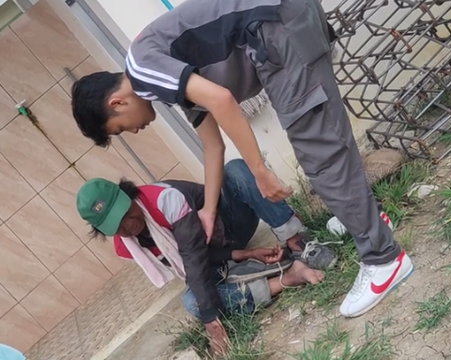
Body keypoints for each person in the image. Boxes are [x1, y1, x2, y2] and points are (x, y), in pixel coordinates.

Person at [70, 0, 413, 318]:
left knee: (320, 156)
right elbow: (212, 146)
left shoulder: (142, 69)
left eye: (119, 129)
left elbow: (221, 100)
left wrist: (259, 170)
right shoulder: (164, 79)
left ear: (116, 104)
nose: (133, 131)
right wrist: (206, 211)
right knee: (327, 140)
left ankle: (384, 260)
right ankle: (369, 221)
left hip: (276, 28)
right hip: (282, 21)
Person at [76, 159, 333, 356]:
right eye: (116, 226)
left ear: (128, 195)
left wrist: (213, 323)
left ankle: (299, 243)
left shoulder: (164, 199)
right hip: (215, 255)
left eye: (125, 213)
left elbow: (192, 256)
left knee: (234, 170)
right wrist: (244, 254)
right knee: (193, 302)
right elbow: (196, 262)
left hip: (231, 225)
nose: (127, 226)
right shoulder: (126, 247)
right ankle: (289, 278)